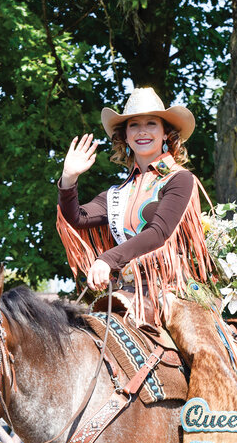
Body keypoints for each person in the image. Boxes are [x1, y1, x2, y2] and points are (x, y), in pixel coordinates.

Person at [57, 86, 212, 323]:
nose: (142, 131)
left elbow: (159, 233)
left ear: (165, 134)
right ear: (126, 136)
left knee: (198, 351)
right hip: (125, 292)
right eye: (133, 125)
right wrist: (69, 178)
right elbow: (76, 219)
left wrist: (107, 259)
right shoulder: (118, 193)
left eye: (151, 123)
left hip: (173, 291)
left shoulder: (180, 179)